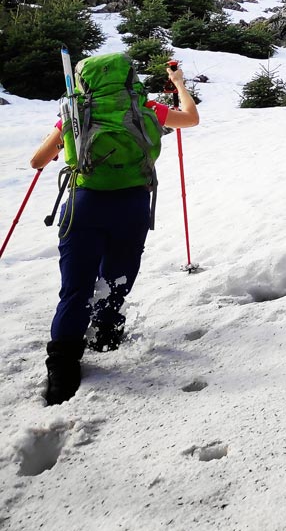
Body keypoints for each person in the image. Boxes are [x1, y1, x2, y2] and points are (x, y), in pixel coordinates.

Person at [30, 61, 199, 406]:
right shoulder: (145, 108)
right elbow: (191, 118)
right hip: (132, 207)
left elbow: (37, 161)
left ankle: (62, 370)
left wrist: (65, 138)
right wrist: (179, 83)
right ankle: (105, 334)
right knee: (117, 276)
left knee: (75, 289)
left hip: (83, 208)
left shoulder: (76, 113)